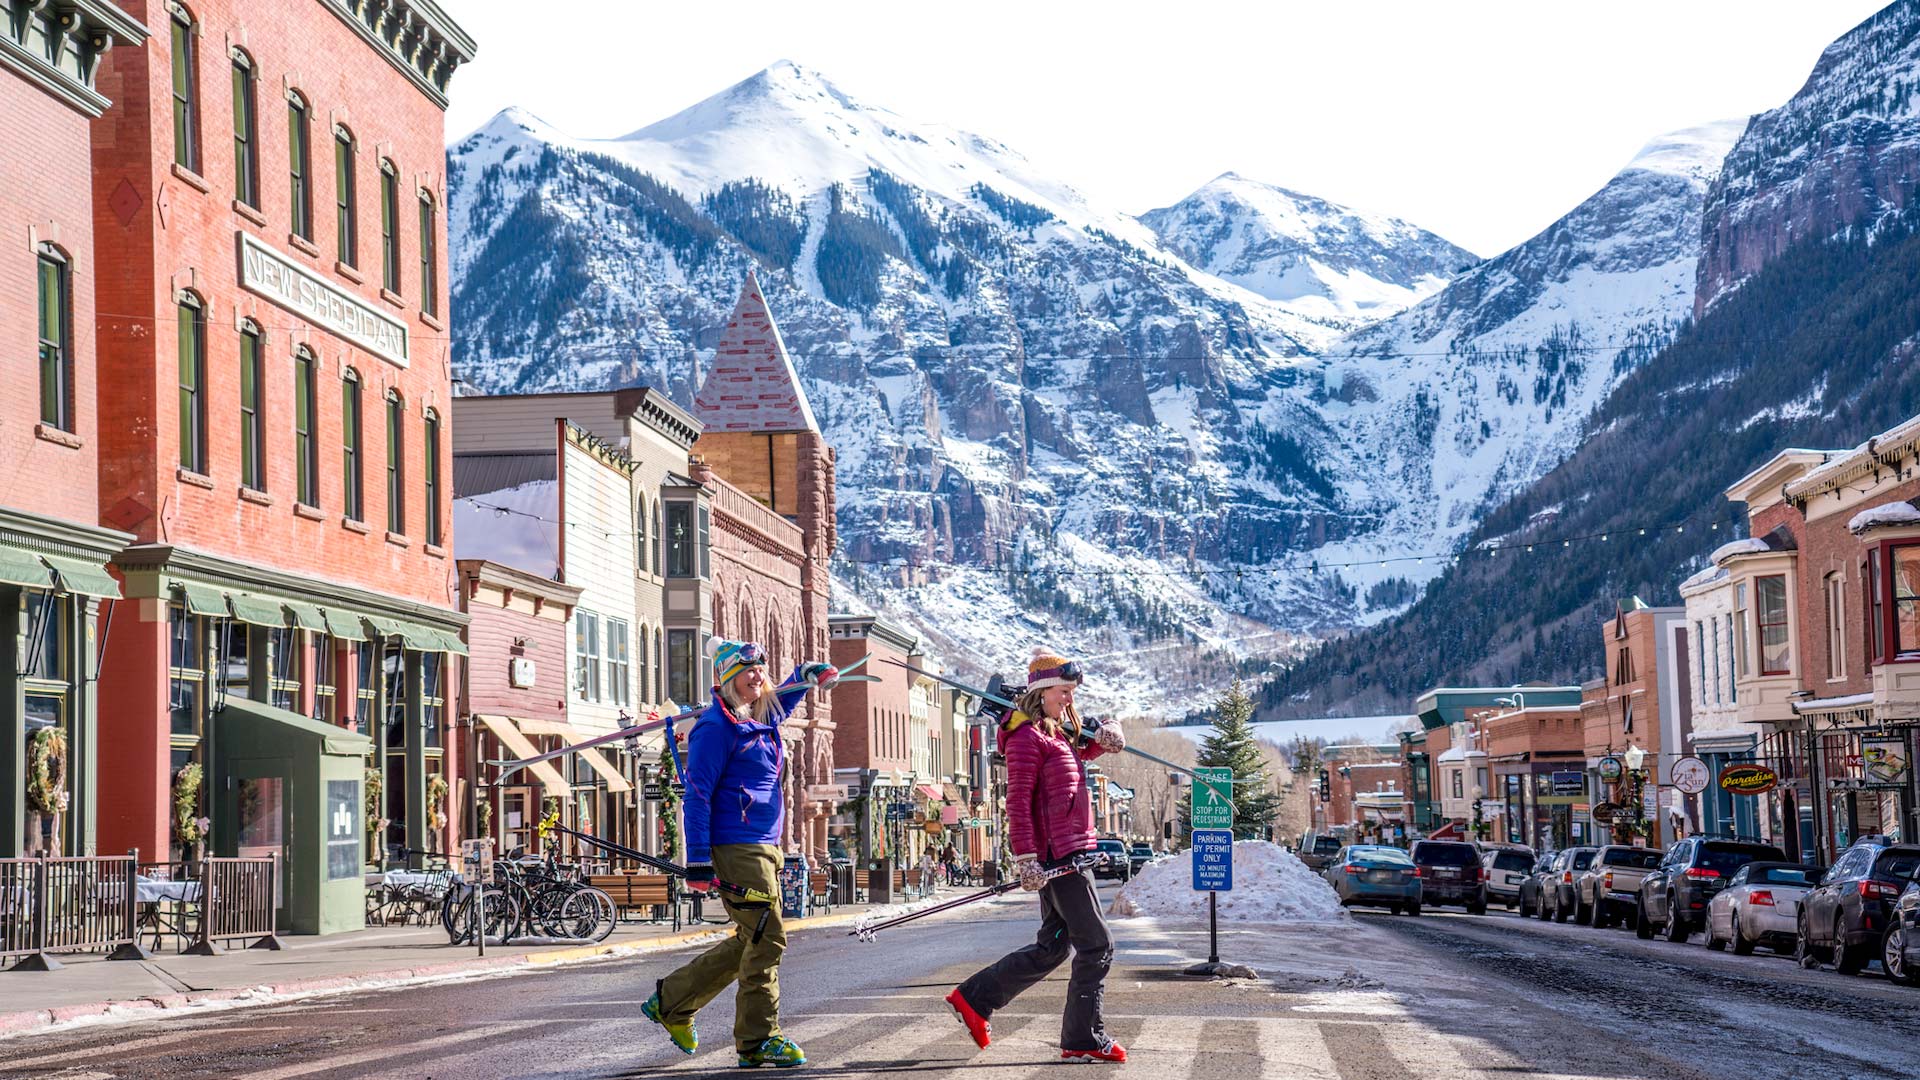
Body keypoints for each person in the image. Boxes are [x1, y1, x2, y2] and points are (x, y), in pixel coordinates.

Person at [642, 637, 836, 1069]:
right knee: (768, 939)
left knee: (753, 938)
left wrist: (802, 679)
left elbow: (778, 705)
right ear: (727, 678)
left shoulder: (755, 718)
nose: (757, 674)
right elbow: (697, 795)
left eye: (761, 667)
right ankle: (759, 1038)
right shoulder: (716, 728)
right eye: (747, 670)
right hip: (737, 845)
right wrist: (698, 860)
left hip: (765, 846)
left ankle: (671, 1002)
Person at [945, 649, 1128, 1064]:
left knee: (1054, 946)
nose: (1069, 699)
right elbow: (1018, 802)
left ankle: (974, 999)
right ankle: (1083, 1036)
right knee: (1097, 946)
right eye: (1064, 692)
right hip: (1058, 856)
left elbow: (1079, 757)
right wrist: (1026, 857)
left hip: (1069, 851)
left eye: (1072, 693)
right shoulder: (1028, 739)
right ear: (1042, 691)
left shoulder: (1055, 734)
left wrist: (1107, 735)